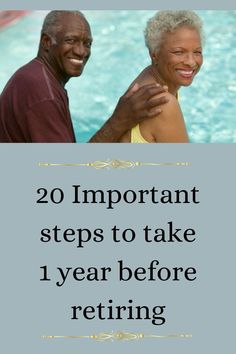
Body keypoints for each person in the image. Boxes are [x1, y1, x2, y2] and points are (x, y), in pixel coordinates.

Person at [0, 10, 168, 143]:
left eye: (87, 43)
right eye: (71, 40)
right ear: (46, 42)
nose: (81, 51)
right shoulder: (43, 94)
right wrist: (119, 120)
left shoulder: (37, 76)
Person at [119, 10, 203, 143]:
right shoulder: (163, 104)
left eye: (197, 52)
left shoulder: (150, 76)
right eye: (179, 52)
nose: (191, 62)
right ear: (154, 55)